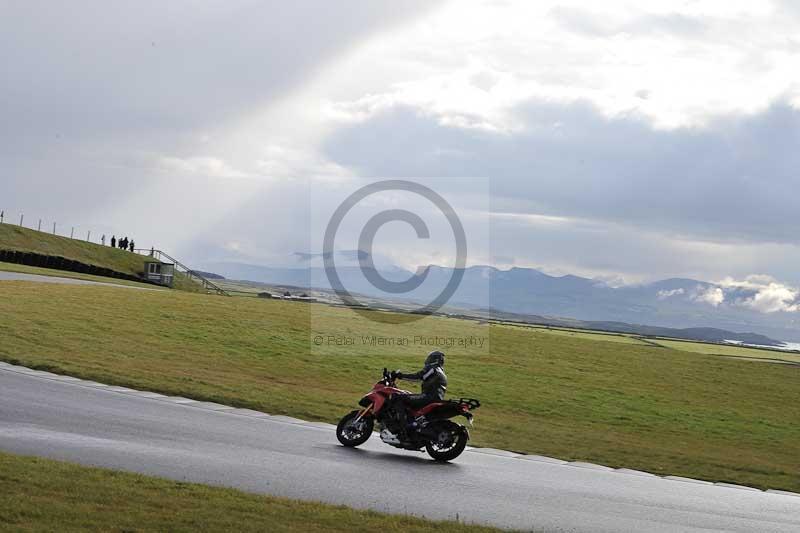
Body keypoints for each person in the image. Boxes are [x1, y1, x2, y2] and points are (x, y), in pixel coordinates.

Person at [392, 350, 447, 435]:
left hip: (428, 397)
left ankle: (403, 426)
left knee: (399, 397)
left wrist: (400, 375)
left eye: (430, 358)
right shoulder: (442, 372)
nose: (428, 360)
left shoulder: (433, 368)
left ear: (435, 360)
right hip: (435, 398)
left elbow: (419, 377)